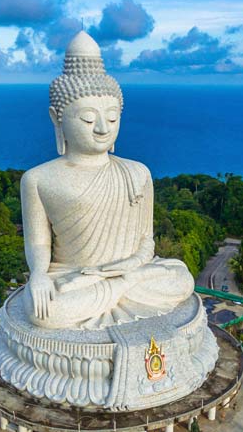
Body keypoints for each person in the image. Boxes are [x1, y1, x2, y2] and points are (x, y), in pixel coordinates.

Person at [20, 31, 195, 329]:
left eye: (112, 118)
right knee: (44, 310)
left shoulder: (137, 172)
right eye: (88, 119)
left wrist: (127, 267)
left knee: (181, 278)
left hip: (128, 272)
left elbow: (146, 240)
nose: (102, 128)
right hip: (70, 275)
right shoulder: (37, 179)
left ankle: (122, 286)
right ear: (57, 118)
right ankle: (121, 288)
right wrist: (38, 275)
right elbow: (38, 242)